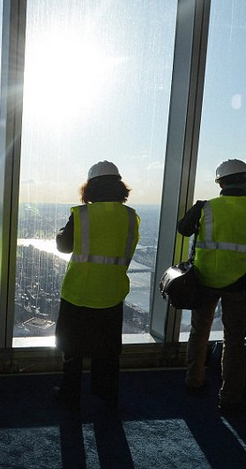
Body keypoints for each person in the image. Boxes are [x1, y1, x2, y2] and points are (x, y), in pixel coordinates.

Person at [178, 159, 246, 415]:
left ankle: (193, 382)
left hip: (205, 281)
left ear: (219, 183)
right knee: (234, 340)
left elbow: (183, 229)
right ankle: (230, 398)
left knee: (199, 332)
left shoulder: (205, 208)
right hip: (242, 284)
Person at [53, 161, 139, 409]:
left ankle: (69, 396)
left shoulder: (81, 216)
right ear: (119, 186)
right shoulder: (131, 217)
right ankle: (105, 396)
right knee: (108, 351)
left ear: (90, 187)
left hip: (78, 292)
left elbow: (64, 246)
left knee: (73, 350)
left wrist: (62, 232)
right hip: (112, 291)